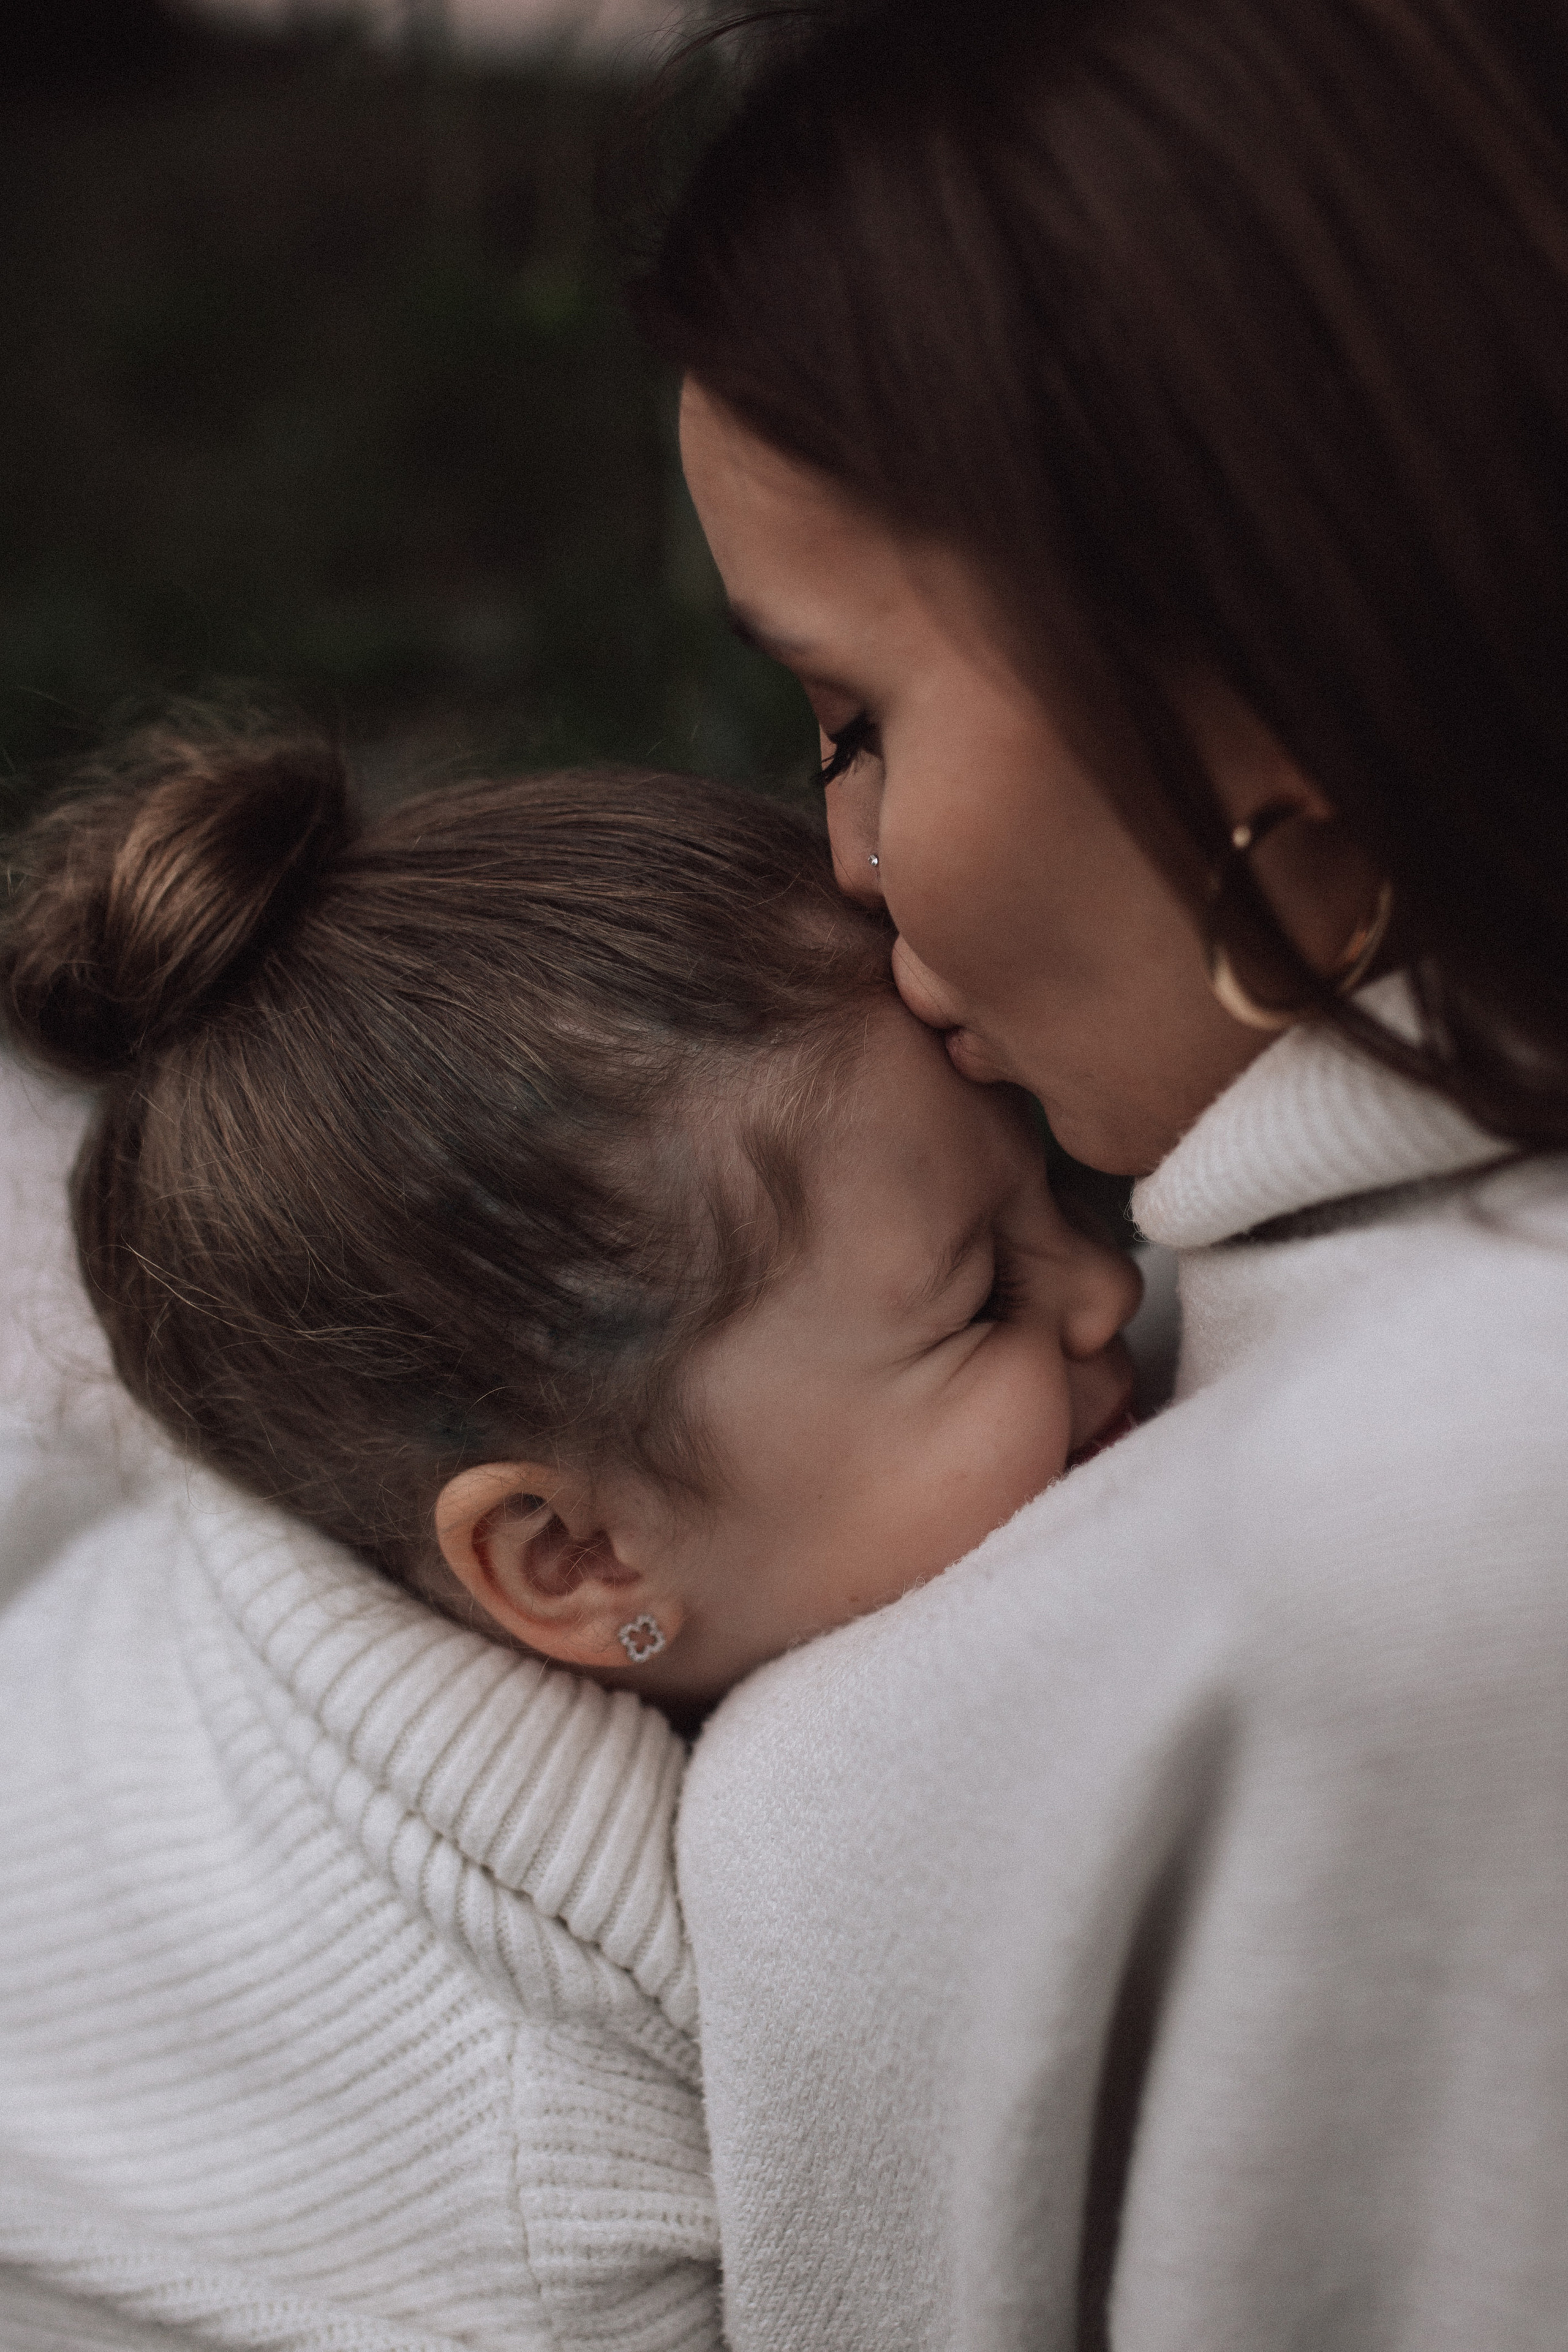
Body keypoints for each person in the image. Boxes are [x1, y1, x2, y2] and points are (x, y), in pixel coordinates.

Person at [631, 0, 1568, 2343]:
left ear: (1262, 661)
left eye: (855, 717)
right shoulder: (1287, 1302)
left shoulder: (1469, 1502)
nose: (837, 863)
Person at [0, 722, 1139, 2348]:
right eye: (981, 1304)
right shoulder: (554, 2175)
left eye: (1063, 1203)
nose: (1113, 1294)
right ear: (575, 1563)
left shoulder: (358, 1457)